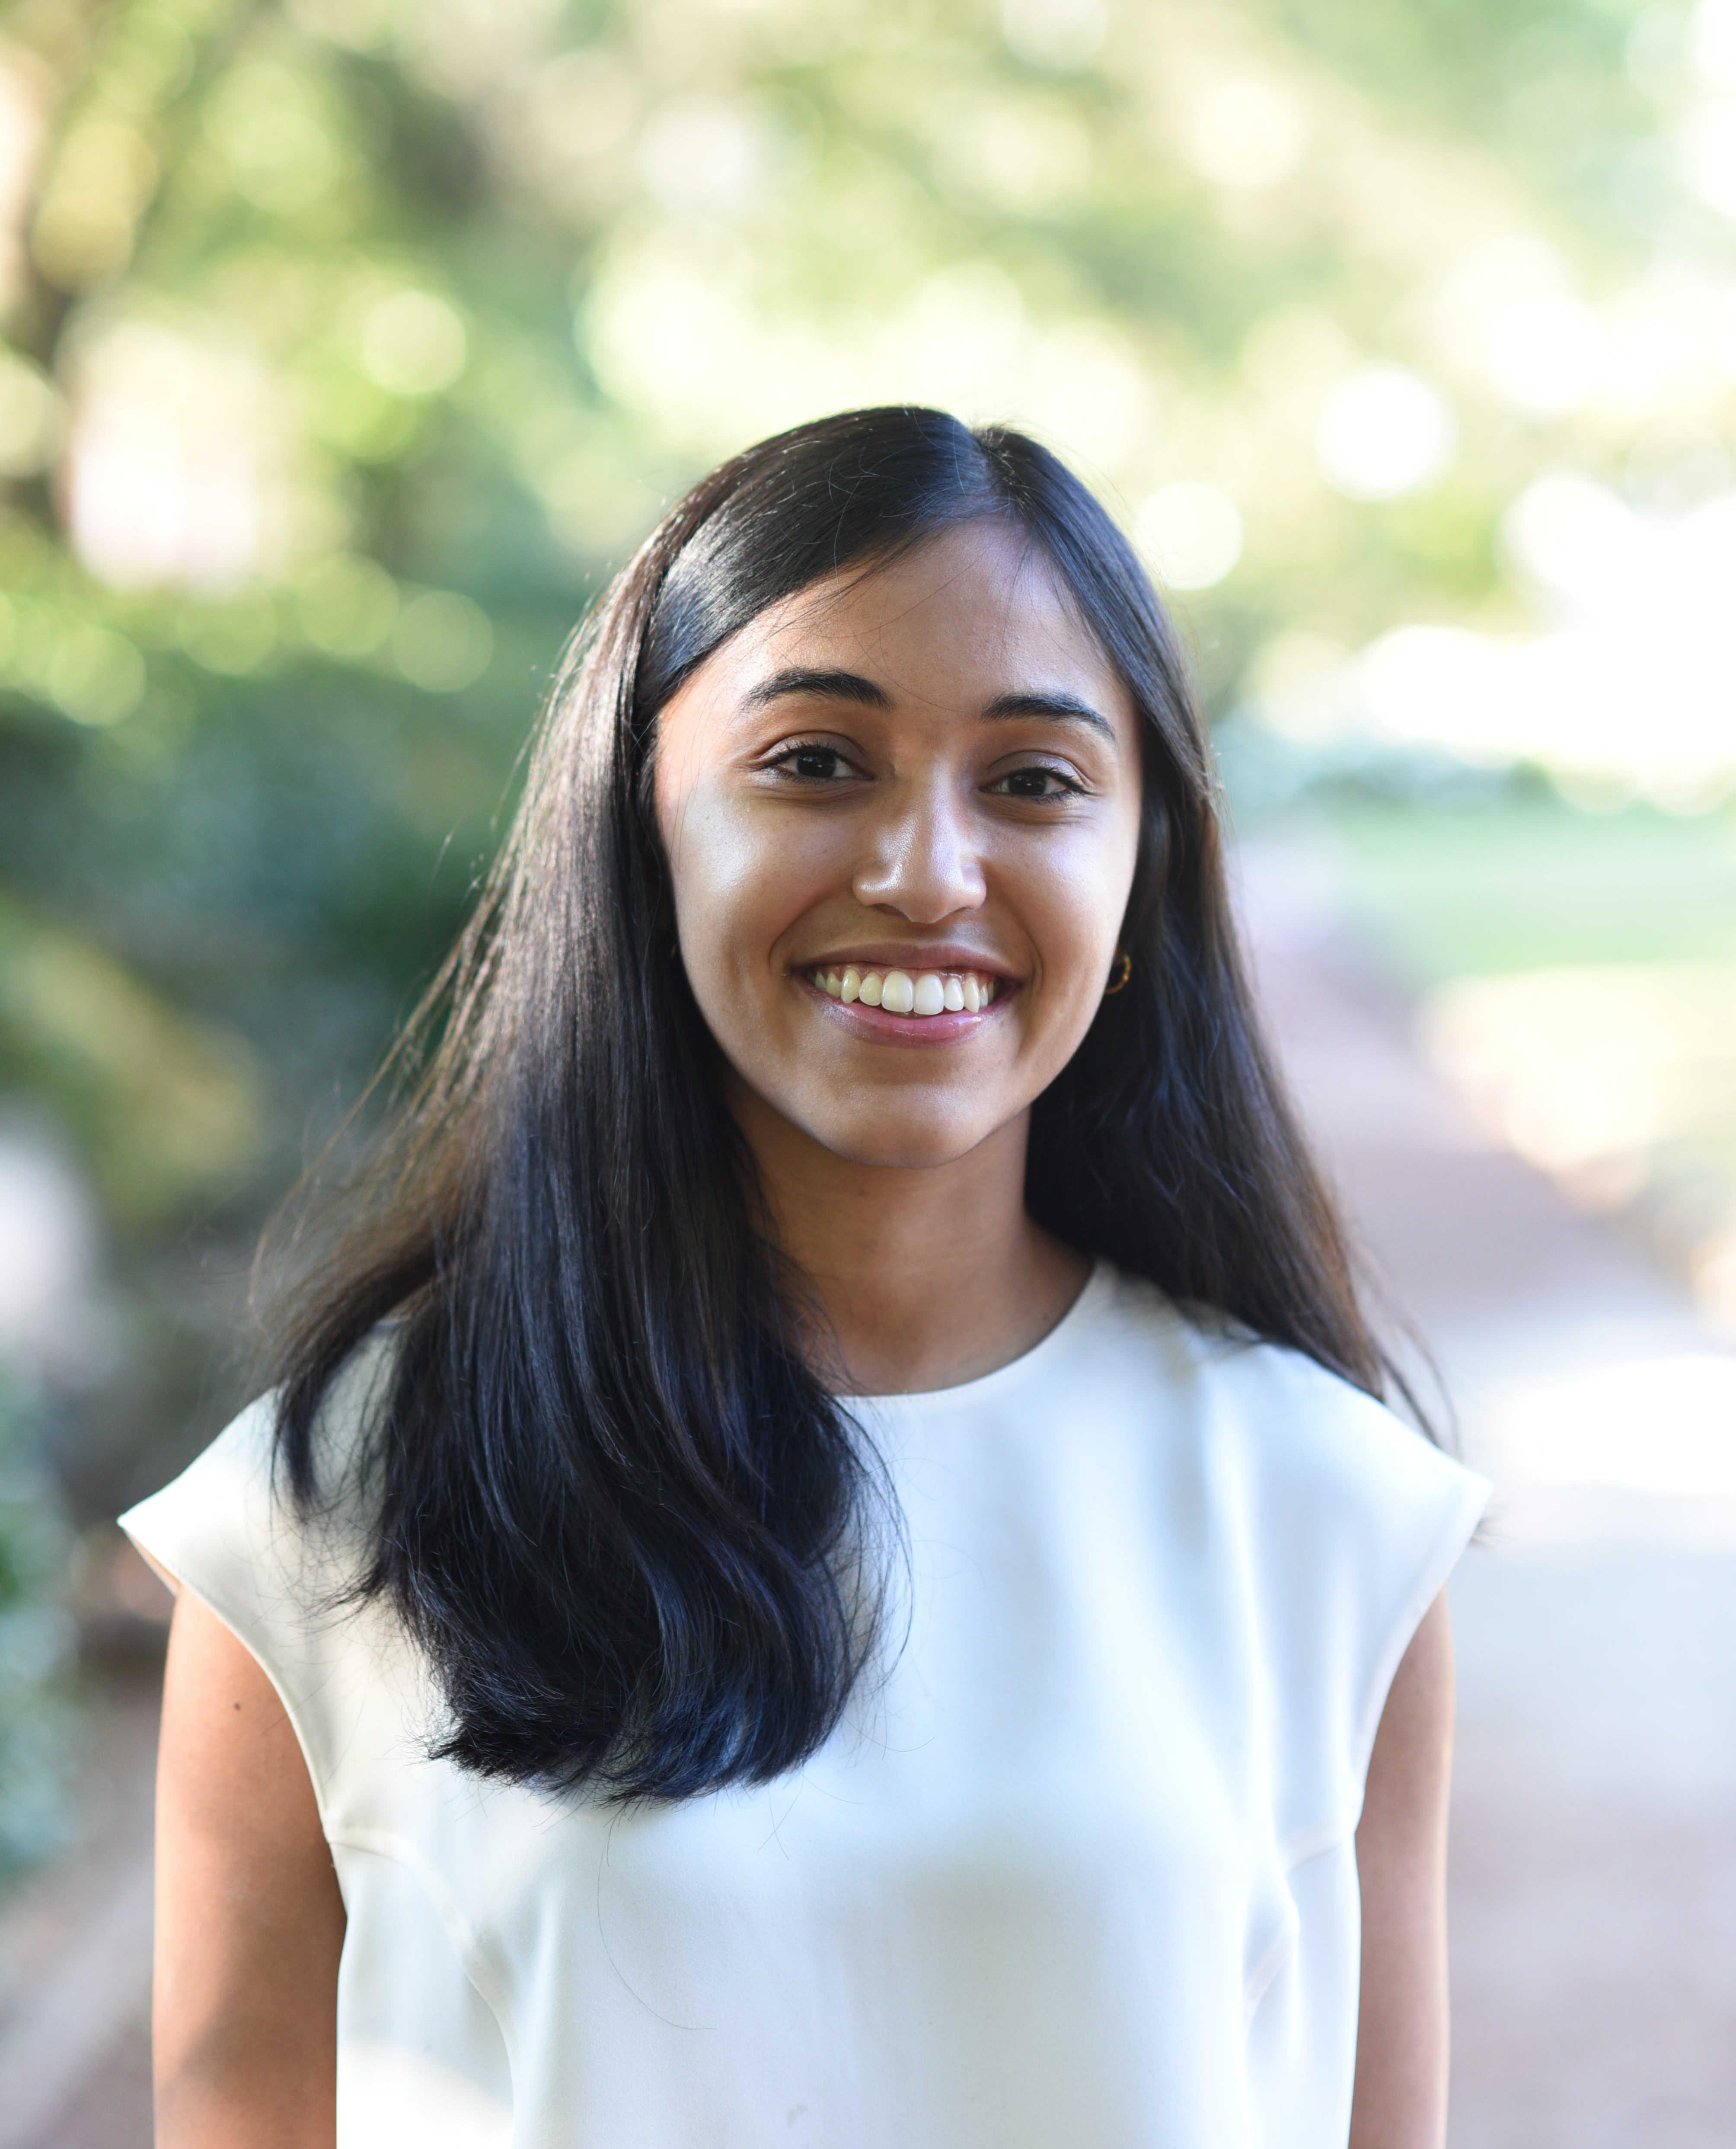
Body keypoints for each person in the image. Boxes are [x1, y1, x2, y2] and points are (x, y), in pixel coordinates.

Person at [124, 406, 1488, 2149]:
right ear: (645, 822)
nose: (926, 872)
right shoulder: (331, 1515)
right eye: (816, 762)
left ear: (1140, 861)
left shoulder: (1321, 1511)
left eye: (1032, 780)